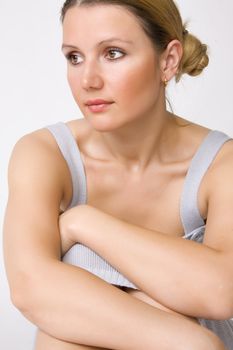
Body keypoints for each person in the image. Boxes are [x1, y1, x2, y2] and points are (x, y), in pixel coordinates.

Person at [3, 0, 233, 349]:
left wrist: (83, 223)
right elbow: (30, 288)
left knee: (62, 329)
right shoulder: (45, 153)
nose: (88, 80)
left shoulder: (221, 164)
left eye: (112, 53)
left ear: (167, 60)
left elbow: (221, 292)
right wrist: (189, 342)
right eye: (74, 57)